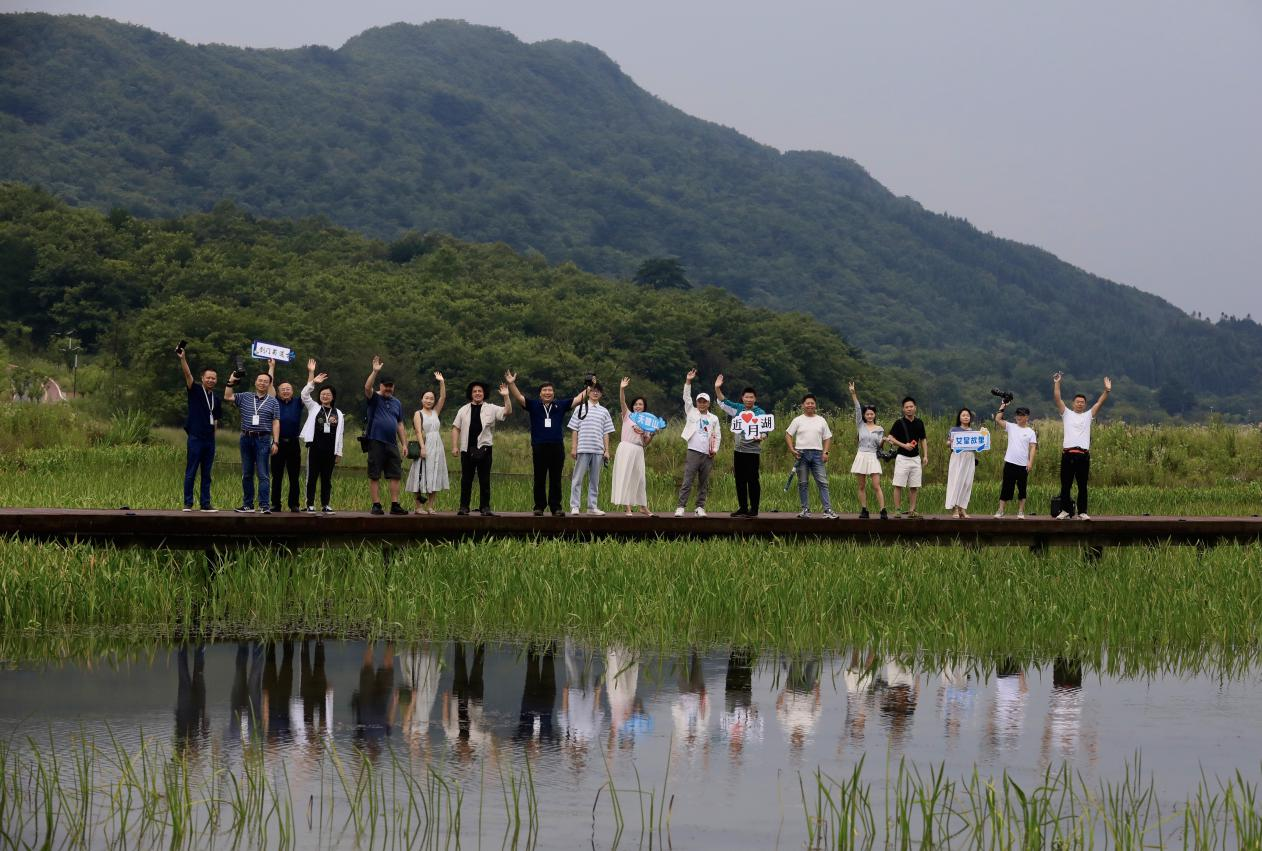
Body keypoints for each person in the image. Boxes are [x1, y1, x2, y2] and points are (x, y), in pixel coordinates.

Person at [506, 376, 588, 516]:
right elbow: (519, 397)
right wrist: (511, 383)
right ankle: (539, 506)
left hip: (557, 446)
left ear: (553, 393)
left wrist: (590, 387)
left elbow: (578, 399)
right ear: (540, 393)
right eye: (545, 390)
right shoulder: (533, 405)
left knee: (556, 478)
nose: (548, 392)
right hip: (539, 446)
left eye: (550, 390)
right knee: (539, 477)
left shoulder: (560, 405)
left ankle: (556, 507)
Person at [450, 374, 513, 516]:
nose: (477, 393)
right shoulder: (463, 409)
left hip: (485, 449)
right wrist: (455, 446)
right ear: (471, 394)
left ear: (484, 393)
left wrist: (506, 396)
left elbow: (507, 411)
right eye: (474, 391)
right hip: (467, 449)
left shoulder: (490, 408)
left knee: (485, 480)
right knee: (466, 479)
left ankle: (485, 507)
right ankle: (464, 507)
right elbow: (455, 428)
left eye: (480, 391)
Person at [1053, 373, 1111, 520]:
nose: (1080, 404)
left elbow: (1099, 403)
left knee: (1082, 486)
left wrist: (1106, 391)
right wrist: (1057, 383)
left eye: (1082, 402)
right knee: (1065, 485)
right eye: (1077, 402)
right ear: (1073, 403)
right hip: (1068, 454)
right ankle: (1065, 511)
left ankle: (1082, 512)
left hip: (1083, 455)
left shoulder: (1088, 415)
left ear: (1085, 404)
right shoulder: (1066, 413)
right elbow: (1057, 398)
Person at [224, 368, 280, 513]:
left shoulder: (273, 401)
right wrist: (231, 381)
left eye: (266, 381)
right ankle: (248, 504)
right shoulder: (245, 396)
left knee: (263, 474)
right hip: (246, 437)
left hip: (263, 439)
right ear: (255, 382)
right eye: (260, 380)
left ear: (269, 384)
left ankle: (264, 505)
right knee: (247, 473)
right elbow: (228, 397)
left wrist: (275, 442)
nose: (262, 383)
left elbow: (276, 422)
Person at [363, 356, 410, 516]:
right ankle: (376, 504)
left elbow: (400, 424)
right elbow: (367, 387)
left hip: (392, 443)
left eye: (391, 387)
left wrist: (404, 444)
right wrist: (375, 372)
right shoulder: (374, 397)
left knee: (395, 473)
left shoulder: (397, 403)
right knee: (375, 474)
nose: (388, 389)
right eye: (386, 386)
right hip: (376, 440)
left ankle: (395, 504)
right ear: (381, 386)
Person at [177, 345, 221, 512]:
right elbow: (187, 375)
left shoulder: (215, 399)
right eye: (208, 377)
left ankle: (205, 503)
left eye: (213, 378)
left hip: (209, 440)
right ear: (202, 378)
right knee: (191, 470)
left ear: (216, 380)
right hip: (195, 437)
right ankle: (188, 503)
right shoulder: (194, 390)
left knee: (207, 473)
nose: (211, 380)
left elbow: (215, 420)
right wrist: (183, 358)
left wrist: (214, 438)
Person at [714, 374, 765, 517]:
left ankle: (754, 509)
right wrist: (717, 388)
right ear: (742, 398)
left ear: (755, 399)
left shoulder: (760, 413)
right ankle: (743, 507)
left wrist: (761, 436)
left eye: (751, 397)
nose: (749, 399)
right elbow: (723, 401)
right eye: (746, 397)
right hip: (738, 450)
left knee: (753, 479)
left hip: (753, 451)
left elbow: (766, 431)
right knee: (740, 479)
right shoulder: (738, 409)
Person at [674, 369, 722, 518]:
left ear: (708, 403)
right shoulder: (691, 411)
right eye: (699, 401)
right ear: (697, 403)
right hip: (693, 451)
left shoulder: (713, 418)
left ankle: (700, 507)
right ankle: (681, 506)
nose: (701, 404)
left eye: (704, 402)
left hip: (707, 453)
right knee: (688, 480)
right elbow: (686, 397)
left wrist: (714, 449)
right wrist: (688, 381)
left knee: (704, 482)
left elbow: (717, 435)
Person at [299, 358, 344, 513]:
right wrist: (312, 377)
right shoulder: (314, 407)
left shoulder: (338, 413)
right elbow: (304, 394)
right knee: (311, 477)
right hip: (315, 447)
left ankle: (325, 504)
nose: (325, 396)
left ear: (333, 397)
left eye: (328, 394)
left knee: (327, 478)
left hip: (330, 450)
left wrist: (339, 452)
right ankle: (310, 504)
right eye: (323, 394)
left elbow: (340, 434)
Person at [785, 393, 837, 519]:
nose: (810, 405)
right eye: (807, 403)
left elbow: (828, 437)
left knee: (823, 482)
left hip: (817, 454)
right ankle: (805, 510)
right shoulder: (797, 420)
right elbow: (788, 434)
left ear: (815, 405)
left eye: (812, 403)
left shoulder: (821, 420)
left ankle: (827, 510)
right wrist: (792, 450)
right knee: (803, 483)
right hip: (801, 454)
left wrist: (825, 452)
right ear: (803, 405)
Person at [567, 380, 615, 515]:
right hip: (582, 448)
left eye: (598, 391)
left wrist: (607, 450)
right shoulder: (580, 408)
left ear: (601, 394)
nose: (595, 392)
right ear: (588, 392)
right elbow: (574, 429)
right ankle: (575, 506)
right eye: (593, 390)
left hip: (598, 450)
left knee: (595, 480)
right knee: (577, 479)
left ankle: (592, 507)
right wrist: (573, 448)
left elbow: (606, 432)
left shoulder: (604, 411)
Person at [405, 372, 449, 514]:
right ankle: (418, 507)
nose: (429, 400)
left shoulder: (436, 412)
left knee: (434, 474)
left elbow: (443, 397)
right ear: (422, 399)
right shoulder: (419, 413)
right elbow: (418, 432)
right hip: (426, 444)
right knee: (421, 474)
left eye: (431, 398)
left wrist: (441, 382)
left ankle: (430, 506)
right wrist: (423, 448)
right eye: (426, 398)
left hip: (437, 445)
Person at [611, 377, 654, 516]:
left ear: (644, 407)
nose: (637, 406)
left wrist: (652, 435)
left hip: (638, 450)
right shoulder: (628, 415)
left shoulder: (647, 422)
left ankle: (643, 506)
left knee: (640, 478)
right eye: (635, 404)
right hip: (626, 448)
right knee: (626, 477)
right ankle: (628, 507)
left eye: (640, 404)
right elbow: (622, 401)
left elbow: (645, 443)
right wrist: (622, 388)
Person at [847, 381, 887, 519]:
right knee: (862, 485)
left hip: (872, 456)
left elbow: (879, 446)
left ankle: (883, 510)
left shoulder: (880, 429)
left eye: (872, 414)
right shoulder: (860, 425)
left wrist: (884, 440)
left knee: (876, 485)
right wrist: (853, 393)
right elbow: (857, 408)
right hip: (861, 455)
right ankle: (864, 509)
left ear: (875, 415)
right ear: (864, 415)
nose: (869, 416)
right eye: (867, 414)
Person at [994, 401, 1037, 519]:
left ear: (1027, 417)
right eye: (1017, 415)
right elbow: (998, 419)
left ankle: (1021, 511)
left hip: (1023, 465)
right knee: (1006, 487)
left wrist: (1030, 462)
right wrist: (1003, 405)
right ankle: (1001, 510)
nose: (1019, 417)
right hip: (1010, 463)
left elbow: (1033, 447)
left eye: (1022, 415)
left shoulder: (1030, 432)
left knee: (1022, 488)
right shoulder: (1011, 427)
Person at [270, 369, 305, 513]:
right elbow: (269, 385)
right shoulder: (274, 401)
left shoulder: (298, 402)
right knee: (276, 476)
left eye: (288, 389)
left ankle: (294, 504)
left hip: (293, 443)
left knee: (294, 476)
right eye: (282, 389)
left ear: (292, 391)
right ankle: (276, 504)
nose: (285, 391)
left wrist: (310, 373)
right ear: (278, 392)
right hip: (277, 443)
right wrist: (272, 367)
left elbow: (308, 390)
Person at [888, 397, 928, 518]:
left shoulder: (919, 422)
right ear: (903, 409)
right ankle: (897, 510)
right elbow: (890, 438)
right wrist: (904, 445)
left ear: (915, 407)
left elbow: (923, 439)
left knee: (914, 486)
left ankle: (912, 510)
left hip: (916, 458)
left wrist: (925, 455)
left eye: (911, 406)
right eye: (906, 407)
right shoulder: (899, 423)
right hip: (902, 457)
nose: (909, 409)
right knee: (898, 484)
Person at [945, 407, 979, 518]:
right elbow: (947, 443)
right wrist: (950, 442)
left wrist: (984, 441)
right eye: (963, 415)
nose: (965, 417)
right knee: (956, 481)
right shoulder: (954, 430)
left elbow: (979, 445)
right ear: (959, 417)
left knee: (967, 483)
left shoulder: (974, 432)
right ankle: (955, 508)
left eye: (967, 415)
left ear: (970, 418)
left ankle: (962, 508)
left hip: (970, 458)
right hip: (957, 457)